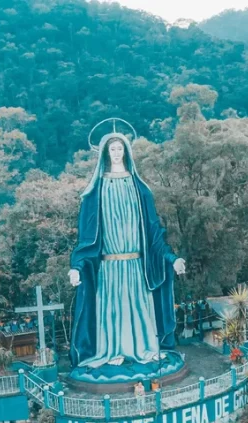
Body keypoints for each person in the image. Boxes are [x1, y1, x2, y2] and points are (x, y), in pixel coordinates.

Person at [68, 129, 187, 369]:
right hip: (109, 267)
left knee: (140, 308)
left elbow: (154, 233)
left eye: (120, 148)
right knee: (111, 311)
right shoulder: (95, 192)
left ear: (127, 152)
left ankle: (145, 348)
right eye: (111, 149)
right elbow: (86, 237)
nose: (115, 153)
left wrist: (172, 259)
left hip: (136, 266)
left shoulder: (140, 189)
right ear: (104, 153)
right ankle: (112, 351)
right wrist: (76, 267)